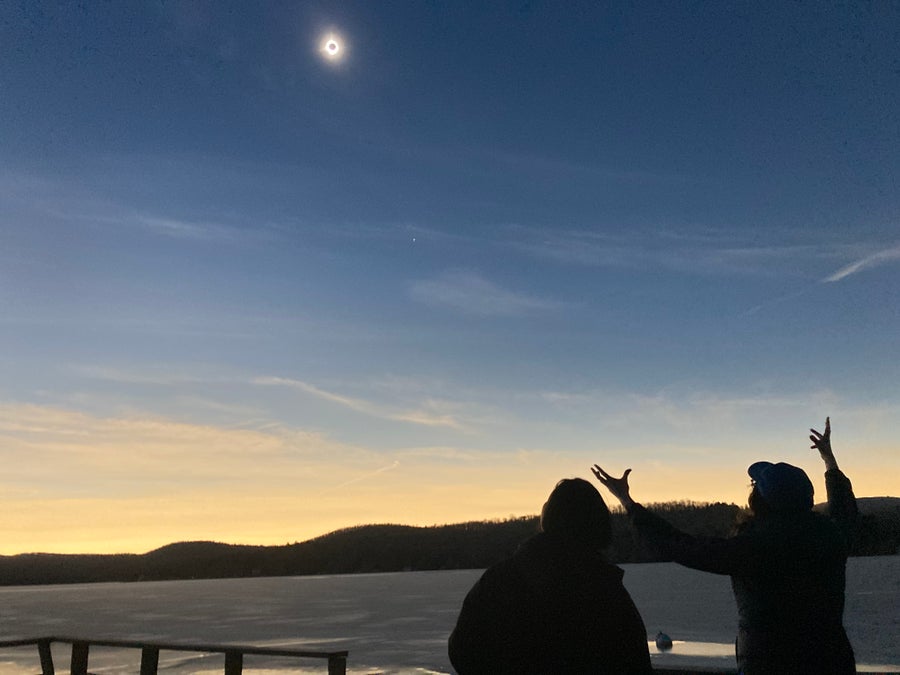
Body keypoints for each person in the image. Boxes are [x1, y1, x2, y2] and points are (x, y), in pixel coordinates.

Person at [593, 417, 857, 675]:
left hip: (768, 663)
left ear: (760, 501)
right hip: (833, 660)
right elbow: (845, 510)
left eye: (755, 486)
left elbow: (678, 545)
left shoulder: (753, 548)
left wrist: (627, 502)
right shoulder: (831, 535)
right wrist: (829, 460)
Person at [448, 478, 652, 674]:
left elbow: (463, 650)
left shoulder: (500, 580)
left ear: (548, 518)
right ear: (599, 525)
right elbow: (634, 661)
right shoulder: (606, 592)